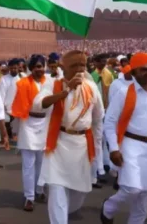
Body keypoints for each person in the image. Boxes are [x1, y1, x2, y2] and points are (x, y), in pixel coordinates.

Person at [36, 50, 104, 223]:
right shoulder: (53, 83)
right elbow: (39, 104)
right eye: (74, 66)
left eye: (83, 65)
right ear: (63, 68)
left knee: (79, 191)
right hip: (58, 143)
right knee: (57, 189)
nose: (80, 69)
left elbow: (98, 119)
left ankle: (66, 212)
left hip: (82, 145)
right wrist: (66, 91)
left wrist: (98, 149)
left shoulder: (92, 87)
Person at [101, 53, 147, 224]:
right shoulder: (123, 93)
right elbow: (110, 121)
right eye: (143, 69)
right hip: (130, 145)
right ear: (134, 72)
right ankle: (109, 207)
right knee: (133, 188)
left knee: (144, 193)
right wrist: (114, 148)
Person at [7, 54, 52, 211]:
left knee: (42, 162)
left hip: (45, 124)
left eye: (42, 66)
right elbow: (11, 104)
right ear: (31, 68)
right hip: (27, 124)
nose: (39, 69)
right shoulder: (22, 83)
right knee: (28, 164)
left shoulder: (50, 83)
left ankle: (39, 190)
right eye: (37, 66)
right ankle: (29, 197)